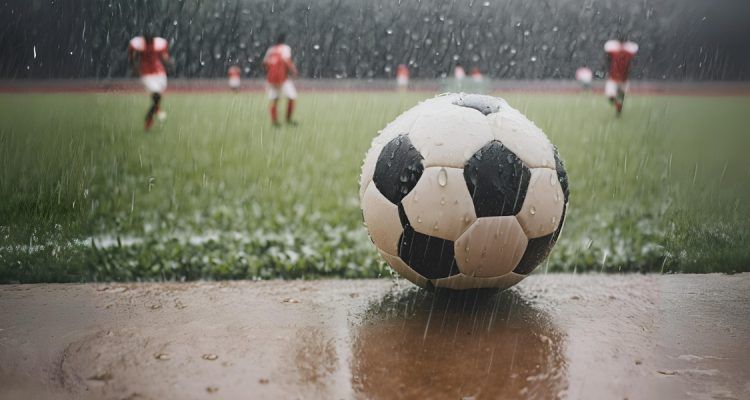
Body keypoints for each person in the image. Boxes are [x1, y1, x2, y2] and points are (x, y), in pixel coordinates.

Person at [128, 30, 171, 130]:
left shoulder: (159, 44)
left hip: (160, 73)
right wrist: (134, 68)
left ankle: (155, 109)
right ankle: (149, 117)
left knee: (157, 96)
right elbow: (133, 57)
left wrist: (168, 63)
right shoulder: (139, 45)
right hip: (147, 74)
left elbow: (164, 57)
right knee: (157, 95)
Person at [263, 34, 298, 127]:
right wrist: (293, 70)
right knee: (292, 97)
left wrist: (271, 73)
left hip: (271, 79)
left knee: (274, 99)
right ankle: (288, 119)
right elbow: (286, 60)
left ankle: (274, 121)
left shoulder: (271, 49)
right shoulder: (285, 48)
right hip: (283, 79)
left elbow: (265, 63)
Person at [604, 38, 638, 116]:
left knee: (614, 96)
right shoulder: (628, 52)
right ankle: (618, 106)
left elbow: (607, 58)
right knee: (617, 96)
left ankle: (618, 107)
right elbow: (634, 60)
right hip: (620, 78)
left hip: (618, 78)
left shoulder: (615, 51)